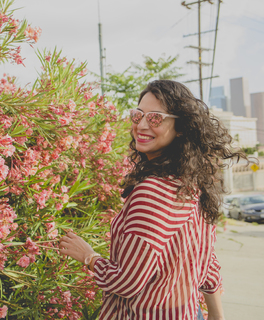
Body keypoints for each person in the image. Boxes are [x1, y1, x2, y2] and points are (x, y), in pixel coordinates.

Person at [59, 80, 247, 320]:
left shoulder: (152, 192)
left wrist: (88, 256)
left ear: (180, 126)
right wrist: (217, 314)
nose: (142, 125)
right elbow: (205, 256)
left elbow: (127, 283)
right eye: (138, 116)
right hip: (190, 313)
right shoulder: (189, 184)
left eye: (156, 118)